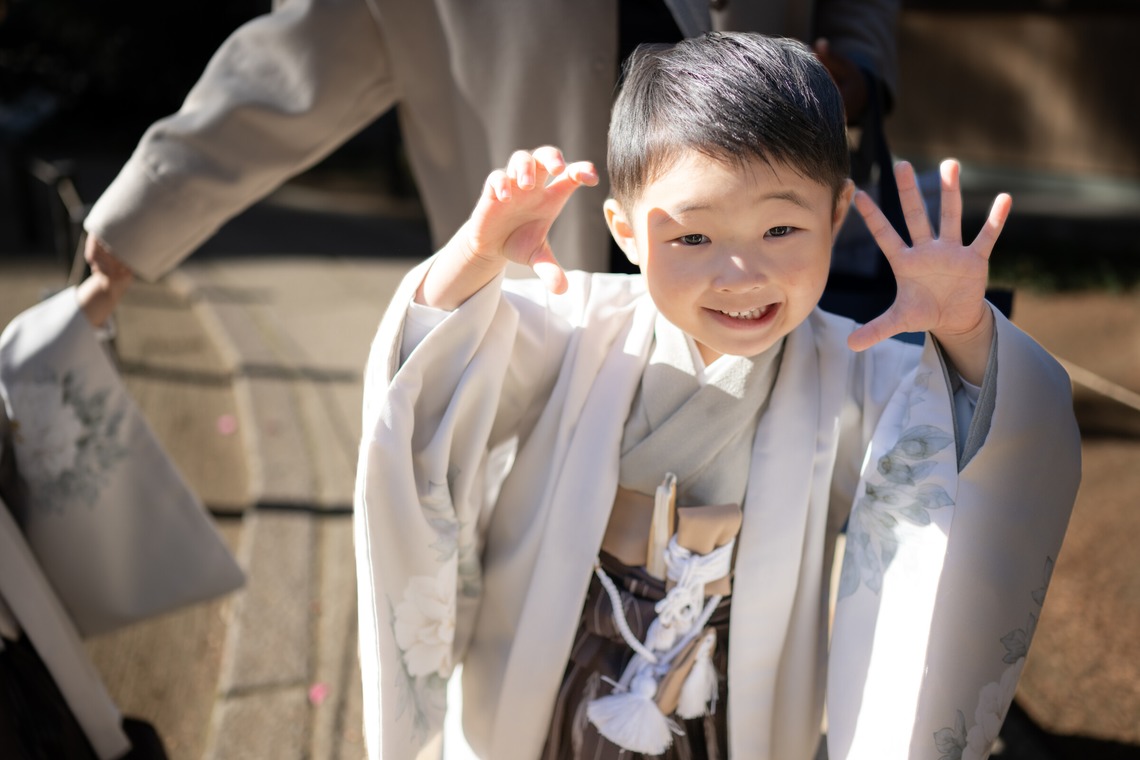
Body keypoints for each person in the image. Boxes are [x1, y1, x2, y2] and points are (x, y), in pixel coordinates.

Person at [354, 33, 1080, 759]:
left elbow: (971, 443)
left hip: (732, 698)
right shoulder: (577, 328)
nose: (740, 274)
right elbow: (435, 373)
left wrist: (964, 331)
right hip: (560, 663)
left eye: (780, 227)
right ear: (626, 232)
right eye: (694, 236)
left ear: (836, 217)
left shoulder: (852, 368)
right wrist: (475, 256)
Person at [73, 0, 899, 328]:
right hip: (560, 289)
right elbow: (288, 71)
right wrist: (137, 223)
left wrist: (859, 64)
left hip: (768, 277)